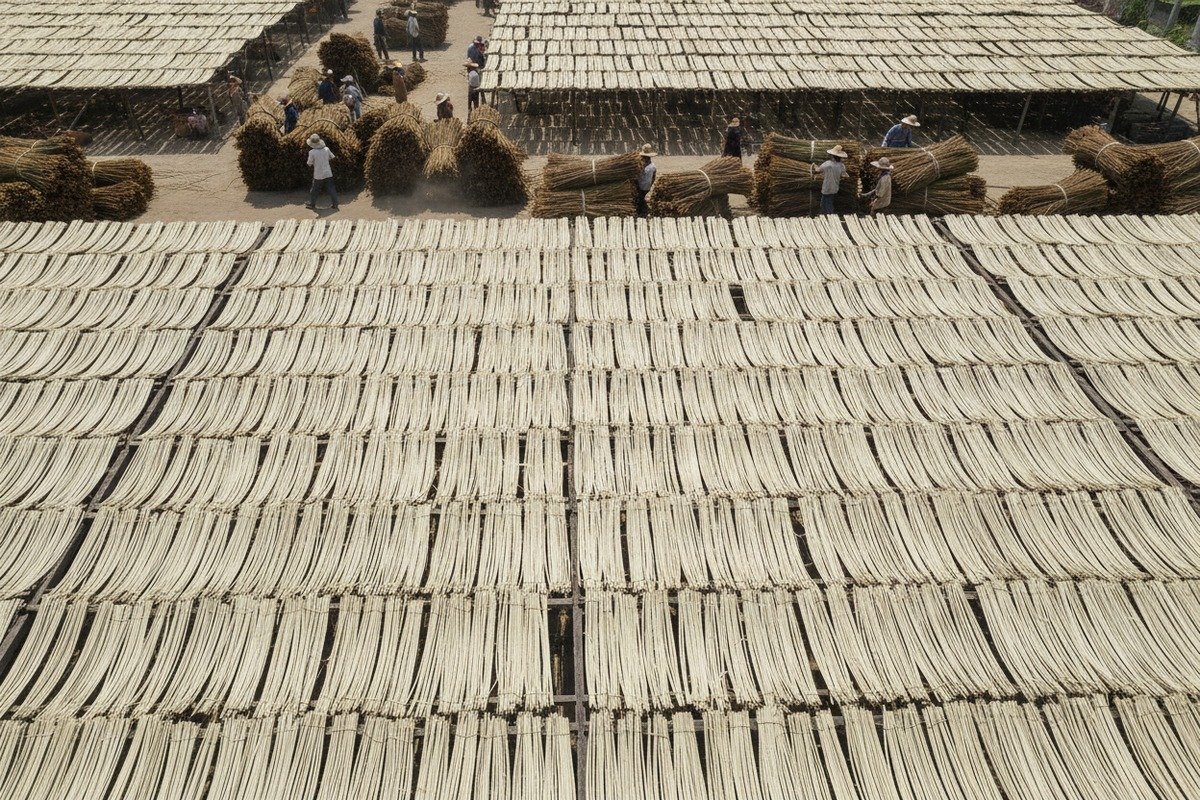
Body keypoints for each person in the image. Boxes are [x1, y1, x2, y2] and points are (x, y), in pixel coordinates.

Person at [305, 134, 339, 211]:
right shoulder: (326, 149)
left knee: (314, 190)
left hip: (318, 174)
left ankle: (312, 204)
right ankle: (335, 204)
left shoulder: (312, 152)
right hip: (328, 172)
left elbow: (309, 163)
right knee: (331, 188)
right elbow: (332, 157)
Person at [812, 145, 848, 215]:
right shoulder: (842, 166)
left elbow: (817, 170)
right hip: (835, 188)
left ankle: (830, 217)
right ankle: (826, 216)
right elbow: (844, 175)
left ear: (832, 155)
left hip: (827, 188)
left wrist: (815, 166)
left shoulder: (828, 164)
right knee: (829, 202)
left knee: (825, 205)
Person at [635, 144, 656, 217]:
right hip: (647, 187)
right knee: (641, 197)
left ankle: (644, 211)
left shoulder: (640, 165)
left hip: (640, 187)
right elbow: (654, 177)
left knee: (640, 199)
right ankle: (644, 210)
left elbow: (636, 176)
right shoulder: (653, 166)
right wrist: (650, 185)